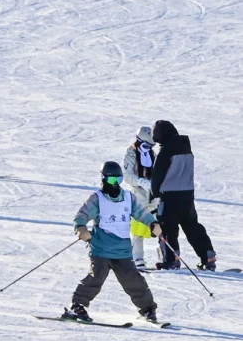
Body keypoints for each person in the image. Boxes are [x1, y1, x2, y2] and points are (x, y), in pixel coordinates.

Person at [64, 161, 162, 323]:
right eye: (111, 181)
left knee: (133, 279)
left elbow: (141, 213)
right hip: (101, 249)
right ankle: (78, 305)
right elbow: (81, 215)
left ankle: (147, 308)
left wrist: (153, 223)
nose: (115, 184)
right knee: (96, 277)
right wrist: (81, 228)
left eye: (118, 180)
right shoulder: (97, 199)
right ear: (103, 180)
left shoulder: (128, 198)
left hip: (122, 250)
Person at [150, 120, 216, 270]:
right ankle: (208, 255)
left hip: (169, 196)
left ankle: (171, 259)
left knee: (167, 228)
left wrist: (154, 193)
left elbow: (158, 176)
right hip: (187, 195)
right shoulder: (187, 149)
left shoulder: (165, 152)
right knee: (192, 226)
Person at [122, 126, 159, 271]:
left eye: (151, 146)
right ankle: (137, 258)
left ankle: (165, 257)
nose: (148, 148)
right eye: (146, 145)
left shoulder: (152, 155)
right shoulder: (131, 154)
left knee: (158, 225)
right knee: (138, 228)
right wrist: (140, 182)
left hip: (153, 195)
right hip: (138, 195)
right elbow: (127, 175)